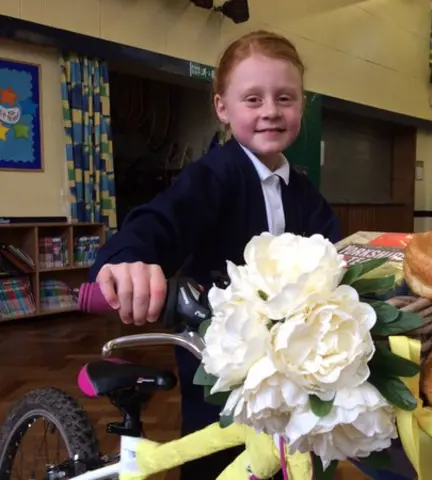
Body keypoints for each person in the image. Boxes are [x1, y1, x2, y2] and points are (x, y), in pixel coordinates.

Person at [88, 29, 341, 480]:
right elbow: (161, 221)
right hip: (218, 361)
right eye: (253, 99)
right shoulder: (212, 176)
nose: (270, 111)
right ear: (223, 107)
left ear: (302, 104)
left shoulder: (303, 191)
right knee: (216, 450)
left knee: (300, 452)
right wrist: (129, 257)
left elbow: (333, 255)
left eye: (285, 98)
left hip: (293, 363)